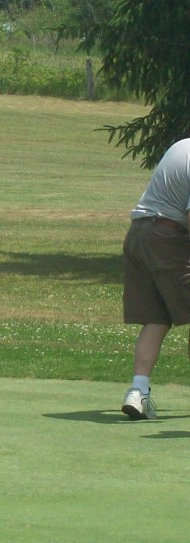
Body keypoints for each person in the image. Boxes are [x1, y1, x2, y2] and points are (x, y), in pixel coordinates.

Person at [121, 138, 190, 420]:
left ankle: (138, 392)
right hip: (166, 238)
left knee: (157, 319)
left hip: (138, 236)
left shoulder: (182, 145)